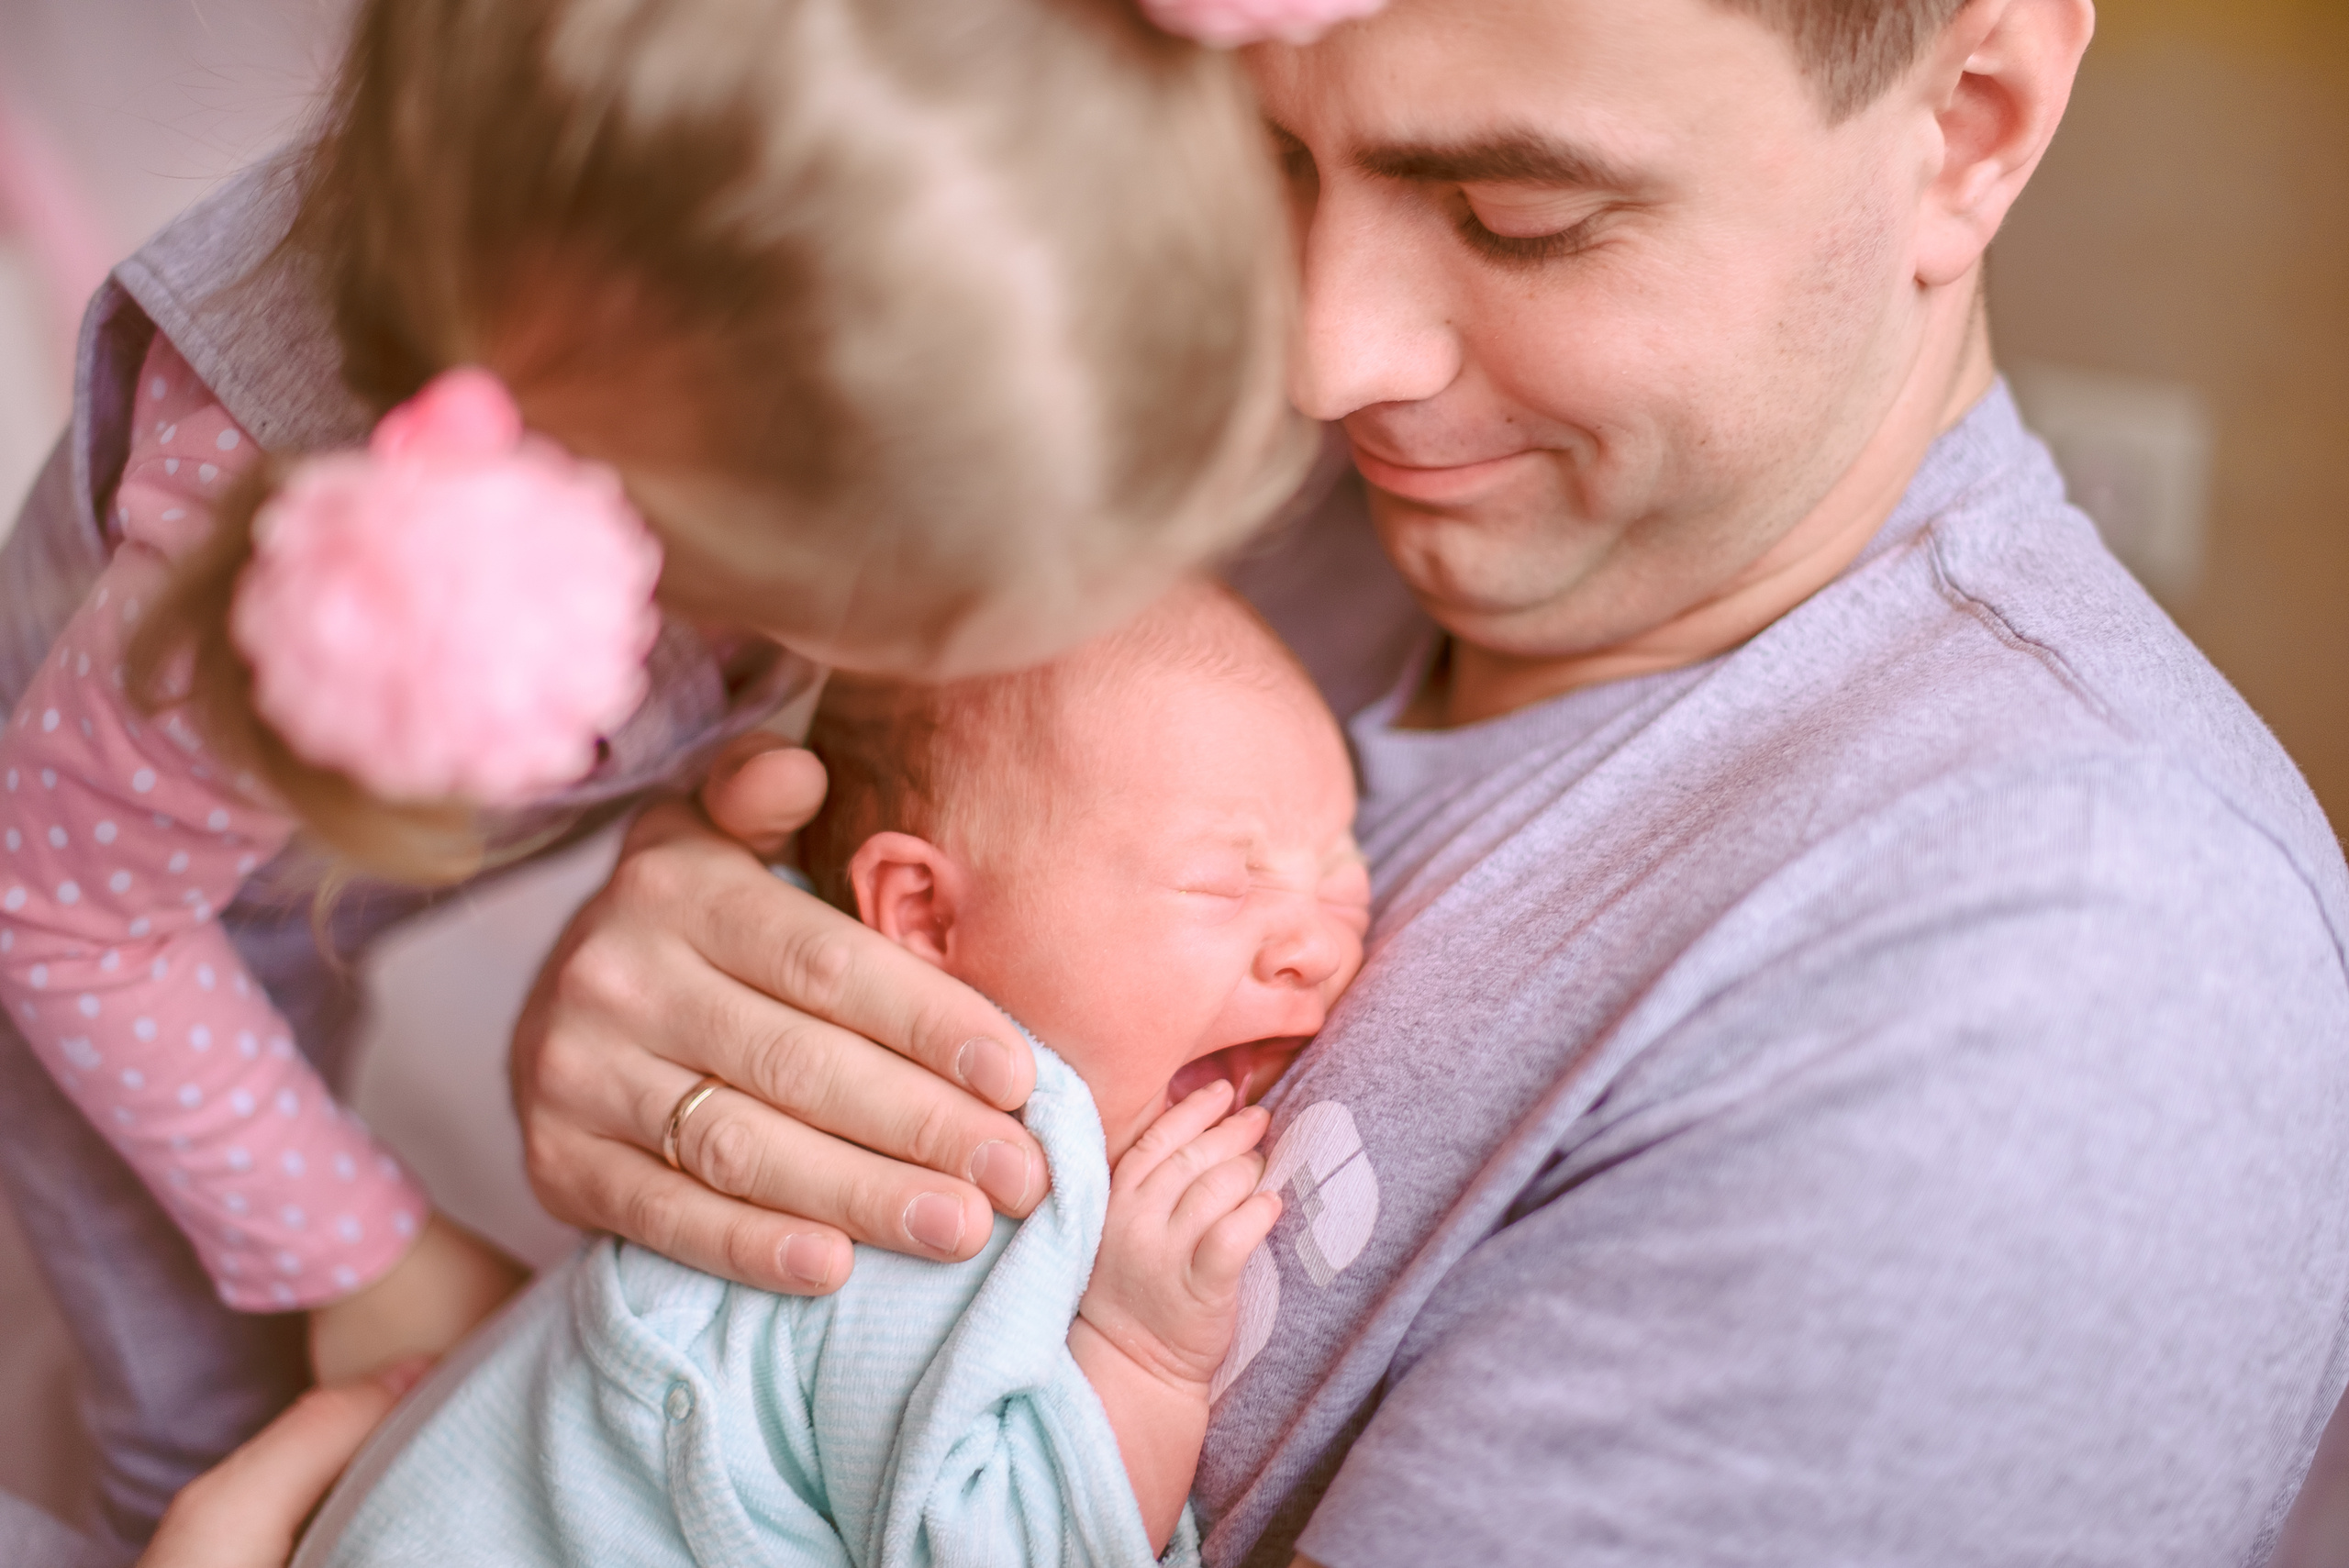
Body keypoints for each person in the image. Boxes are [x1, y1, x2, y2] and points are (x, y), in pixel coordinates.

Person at [8, 0, 2349, 1565]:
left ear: (1968, 125)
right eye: (1259, 159)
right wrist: (652, 988)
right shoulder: (1135, 407)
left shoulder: (2061, 987)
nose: (1322, 353)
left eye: (1516, 211)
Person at [0, 0, 1320, 1552]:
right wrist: (362, 1253)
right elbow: (57, 912)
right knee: (219, 1384)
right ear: (664, 509)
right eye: (942, 612)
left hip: (287, 827)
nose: (1036, 639)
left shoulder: (805, 278)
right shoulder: (269, 533)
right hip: (90, 907)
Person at [303, 580, 1368, 1567]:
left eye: (1342, 881)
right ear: (922, 913)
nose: (1314, 946)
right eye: (1224, 884)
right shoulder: (944, 1174)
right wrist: (1141, 1359)